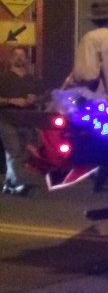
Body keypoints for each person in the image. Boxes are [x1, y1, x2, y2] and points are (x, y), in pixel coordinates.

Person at [0, 47, 47, 195]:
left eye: (22, 55)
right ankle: (18, 184)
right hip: (7, 119)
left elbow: (44, 96)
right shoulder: (3, 78)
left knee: (23, 153)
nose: (19, 58)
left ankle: (9, 183)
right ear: (10, 59)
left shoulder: (33, 79)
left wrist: (36, 98)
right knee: (14, 152)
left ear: (27, 59)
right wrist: (11, 101)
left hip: (27, 120)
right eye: (16, 55)